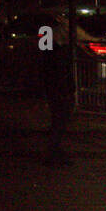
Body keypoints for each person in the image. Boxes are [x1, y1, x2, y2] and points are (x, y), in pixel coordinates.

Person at [39, 15, 75, 167]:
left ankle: (55, 151)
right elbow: (49, 62)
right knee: (59, 119)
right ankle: (53, 153)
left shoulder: (50, 37)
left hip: (58, 84)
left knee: (59, 119)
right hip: (57, 85)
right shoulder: (48, 34)